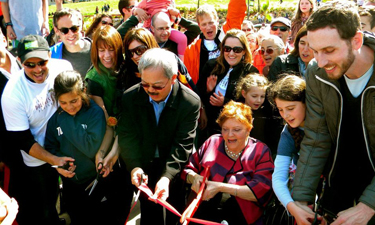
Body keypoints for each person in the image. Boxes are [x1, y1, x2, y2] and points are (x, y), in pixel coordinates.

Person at [292, 2, 375, 224]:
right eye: (315, 51)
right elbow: (316, 137)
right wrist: (301, 200)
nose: (321, 61)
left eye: (329, 51)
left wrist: (369, 206)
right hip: (339, 190)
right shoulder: (316, 72)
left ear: (356, 40)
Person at [117, 48, 200, 225]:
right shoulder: (130, 97)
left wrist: (167, 177)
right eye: (145, 84)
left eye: (157, 86)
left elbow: (183, 143)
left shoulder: (189, 102)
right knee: (149, 215)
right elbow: (127, 136)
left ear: (173, 78)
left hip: (173, 167)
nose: (150, 90)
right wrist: (134, 167)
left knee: (174, 214)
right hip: (143, 167)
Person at [1, 35, 73, 224]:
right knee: (44, 208)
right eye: (30, 64)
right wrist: (54, 160)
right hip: (37, 156)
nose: (38, 69)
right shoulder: (12, 94)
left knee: (73, 199)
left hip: (67, 144)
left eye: (42, 62)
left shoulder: (64, 68)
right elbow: (23, 140)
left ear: (50, 55)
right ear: (19, 61)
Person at [182, 100, 274, 224]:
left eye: (237, 129)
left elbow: (261, 191)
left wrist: (220, 187)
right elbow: (187, 170)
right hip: (203, 212)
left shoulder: (260, 151)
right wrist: (195, 178)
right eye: (225, 129)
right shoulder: (213, 142)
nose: (230, 135)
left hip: (242, 217)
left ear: (249, 128)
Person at [44, 70, 107, 224]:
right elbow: (50, 146)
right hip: (70, 183)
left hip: (95, 182)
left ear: (83, 92)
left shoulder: (94, 113)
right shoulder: (55, 118)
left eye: (74, 101)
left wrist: (66, 120)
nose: (69, 107)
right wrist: (60, 165)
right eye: (63, 102)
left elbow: (90, 147)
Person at [197, 29, 258, 137]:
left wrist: (225, 102)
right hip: (209, 125)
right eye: (227, 49)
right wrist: (207, 91)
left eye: (237, 50)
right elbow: (197, 93)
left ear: (244, 51)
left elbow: (252, 103)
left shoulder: (250, 72)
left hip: (235, 128)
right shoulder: (211, 65)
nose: (231, 53)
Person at [268, 75, 307, 224]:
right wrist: (293, 208)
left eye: (290, 108)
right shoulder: (288, 132)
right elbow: (278, 177)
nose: (286, 115)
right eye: (280, 110)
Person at [184, 0, 247, 84]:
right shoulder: (191, 50)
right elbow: (188, 80)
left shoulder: (227, 35)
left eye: (211, 23)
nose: (208, 27)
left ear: (217, 21)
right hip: (203, 94)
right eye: (204, 24)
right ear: (199, 26)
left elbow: (236, 11)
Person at [235, 73, 283, 157]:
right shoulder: (235, 112)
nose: (259, 100)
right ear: (244, 93)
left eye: (262, 96)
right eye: (254, 96)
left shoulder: (267, 113)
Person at [50, 8, 92, 80]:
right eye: (64, 30)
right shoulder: (51, 54)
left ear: (80, 26)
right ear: (56, 31)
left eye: (74, 28)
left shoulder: (97, 49)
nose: (71, 34)